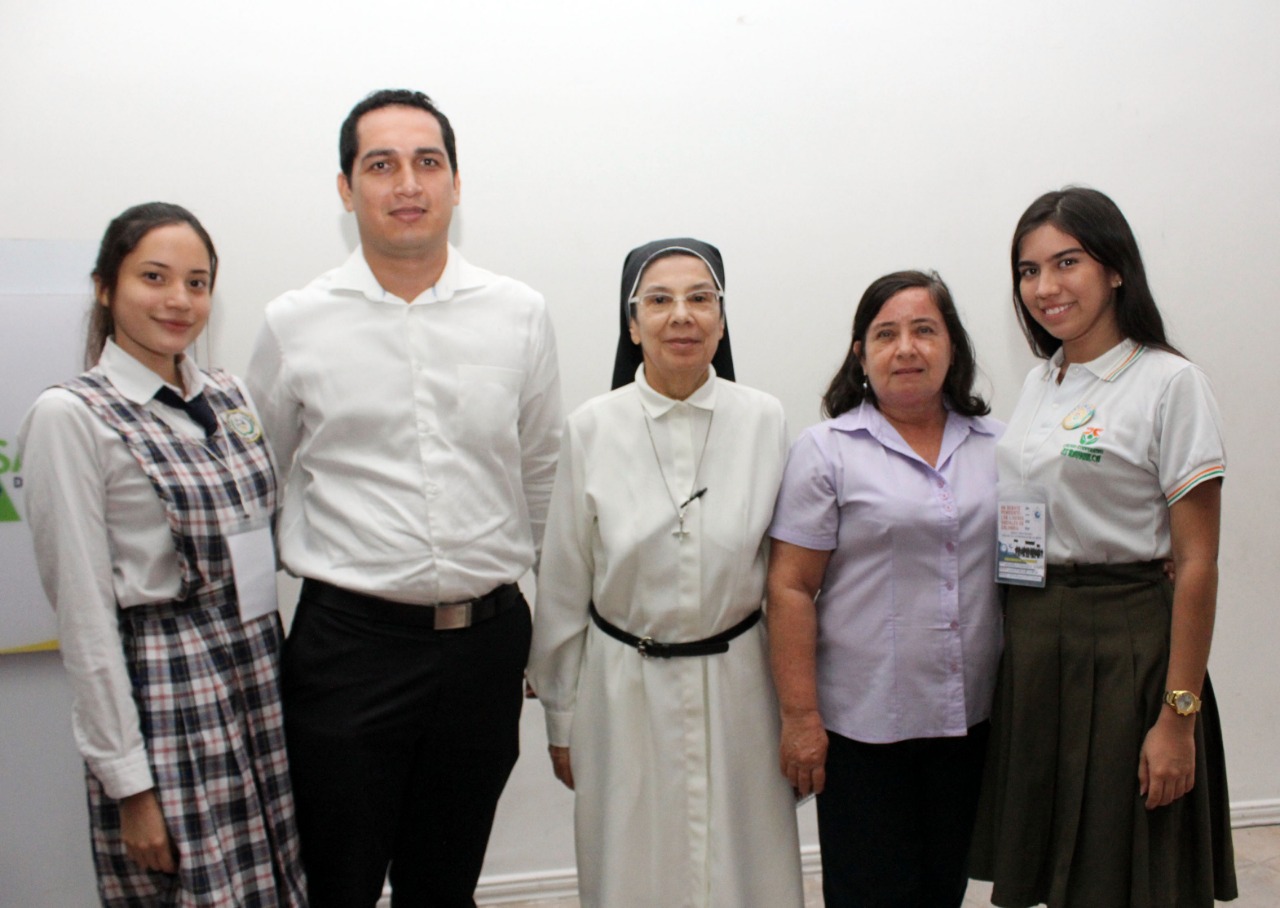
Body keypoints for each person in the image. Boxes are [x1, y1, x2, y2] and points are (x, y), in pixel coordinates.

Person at [245, 89, 561, 908]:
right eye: (381, 165)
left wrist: (552, 638)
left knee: (444, 885)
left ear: (456, 182)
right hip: (349, 649)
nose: (408, 184)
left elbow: (542, 476)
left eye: (427, 162)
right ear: (346, 189)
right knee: (337, 884)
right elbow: (259, 484)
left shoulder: (518, 314)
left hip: (484, 649)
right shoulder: (294, 323)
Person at [18, 202, 306, 906]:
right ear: (104, 288)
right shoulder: (72, 415)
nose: (179, 300)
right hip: (169, 693)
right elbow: (84, 617)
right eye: (154, 277)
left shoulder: (229, 396)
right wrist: (131, 787)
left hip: (260, 674)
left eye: (197, 283)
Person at [969, 187, 1237, 907]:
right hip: (1038, 637)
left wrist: (1177, 718)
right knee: (1058, 864)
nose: (1045, 288)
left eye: (1068, 262)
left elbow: (1199, 562)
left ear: (1116, 268)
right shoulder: (1041, 380)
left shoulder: (1169, 383)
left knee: (1123, 871)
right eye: (1029, 271)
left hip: (1126, 646)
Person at [527, 238, 804, 907]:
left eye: (700, 298)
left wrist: (801, 708)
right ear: (632, 325)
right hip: (622, 690)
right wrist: (561, 718)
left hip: (740, 685)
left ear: (721, 320)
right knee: (631, 868)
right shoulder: (591, 428)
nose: (682, 315)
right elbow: (563, 583)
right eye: (659, 300)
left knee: (747, 870)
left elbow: (787, 577)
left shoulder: (763, 419)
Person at [767, 270, 1002, 907]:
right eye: (886, 334)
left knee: (944, 889)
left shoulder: (999, 447)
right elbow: (790, 588)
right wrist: (800, 719)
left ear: (952, 346)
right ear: (860, 353)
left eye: (924, 330)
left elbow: (1033, 557)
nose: (906, 349)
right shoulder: (827, 451)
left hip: (969, 720)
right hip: (862, 728)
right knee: (868, 892)